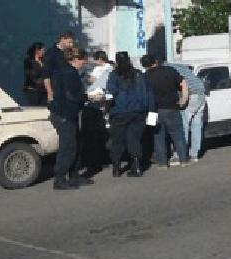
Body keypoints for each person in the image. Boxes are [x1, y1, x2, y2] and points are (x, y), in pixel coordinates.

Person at [48, 47, 95, 190]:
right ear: (75, 59)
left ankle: (74, 175)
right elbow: (72, 95)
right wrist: (89, 97)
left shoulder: (64, 71)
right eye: (83, 61)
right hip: (65, 114)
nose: (84, 64)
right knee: (68, 147)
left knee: (75, 145)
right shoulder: (69, 73)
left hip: (66, 113)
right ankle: (60, 179)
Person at [102, 52, 154, 177]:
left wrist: (106, 110)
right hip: (138, 112)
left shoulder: (114, 75)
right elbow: (149, 94)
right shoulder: (138, 74)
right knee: (134, 139)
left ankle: (116, 168)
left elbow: (111, 93)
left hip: (119, 112)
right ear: (129, 60)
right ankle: (136, 167)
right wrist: (152, 113)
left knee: (117, 141)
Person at [141, 54, 190, 169]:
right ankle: (183, 160)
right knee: (177, 134)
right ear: (155, 61)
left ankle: (162, 163)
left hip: (152, 112)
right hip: (171, 107)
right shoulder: (169, 70)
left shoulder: (144, 77)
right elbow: (184, 83)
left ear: (144, 65)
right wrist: (183, 99)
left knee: (157, 136)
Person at [164, 60, 209, 163]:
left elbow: (181, 84)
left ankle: (180, 154)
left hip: (191, 94)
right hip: (201, 92)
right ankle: (194, 155)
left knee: (183, 125)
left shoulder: (168, 70)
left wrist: (182, 100)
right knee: (196, 125)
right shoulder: (178, 65)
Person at [42, 31, 76, 104]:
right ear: (62, 39)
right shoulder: (51, 53)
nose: (71, 45)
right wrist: (50, 93)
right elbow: (46, 75)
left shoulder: (69, 53)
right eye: (69, 42)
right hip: (57, 90)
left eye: (72, 43)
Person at [22, 42, 47, 106]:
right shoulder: (29, 61)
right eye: (42, 50)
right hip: (33, 89)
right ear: (37, 51)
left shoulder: (44, 60)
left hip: (43, 89)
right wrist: (41, 80)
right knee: (36, 107)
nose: (44, 52)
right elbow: (30, 74)